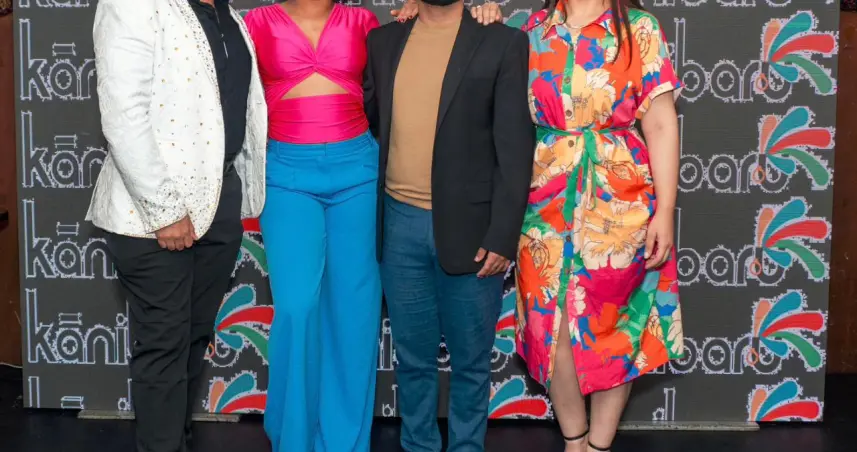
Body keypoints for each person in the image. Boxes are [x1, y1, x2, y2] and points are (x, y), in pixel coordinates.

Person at [241, 2, 502, 451]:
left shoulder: (363, 21)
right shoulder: (256, 22)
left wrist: (473, 8)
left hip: (358, 176)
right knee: (297, 306)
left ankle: (344, 442)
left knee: (355, 313)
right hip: (287, 175)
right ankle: (294, 439)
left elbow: (428, 35)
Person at [88, 1, 266, 451]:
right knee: (165, 347)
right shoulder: (133, 5)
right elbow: (123, 114)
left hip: (218, 202)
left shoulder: (227, 14)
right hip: (151, 214)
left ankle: (174, 440)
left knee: (192, 340)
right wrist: (165, 210)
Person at [363, 0, 533, 450]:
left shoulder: (503, 42)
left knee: (471, 364)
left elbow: (515, 148)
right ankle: (418, 445)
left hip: (474, 229)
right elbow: (371, 121)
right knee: (412, 360)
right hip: (399, 225)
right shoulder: (382, 42)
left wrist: (503, 235)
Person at [515, 0, 684, 450]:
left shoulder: (640, 29)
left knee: (614, 329)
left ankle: (598, 446)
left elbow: (661, 124)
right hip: (543, 201)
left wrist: (665, 209)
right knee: (550, 325)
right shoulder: (533, 30)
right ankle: (574, 440)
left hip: (621, 204)